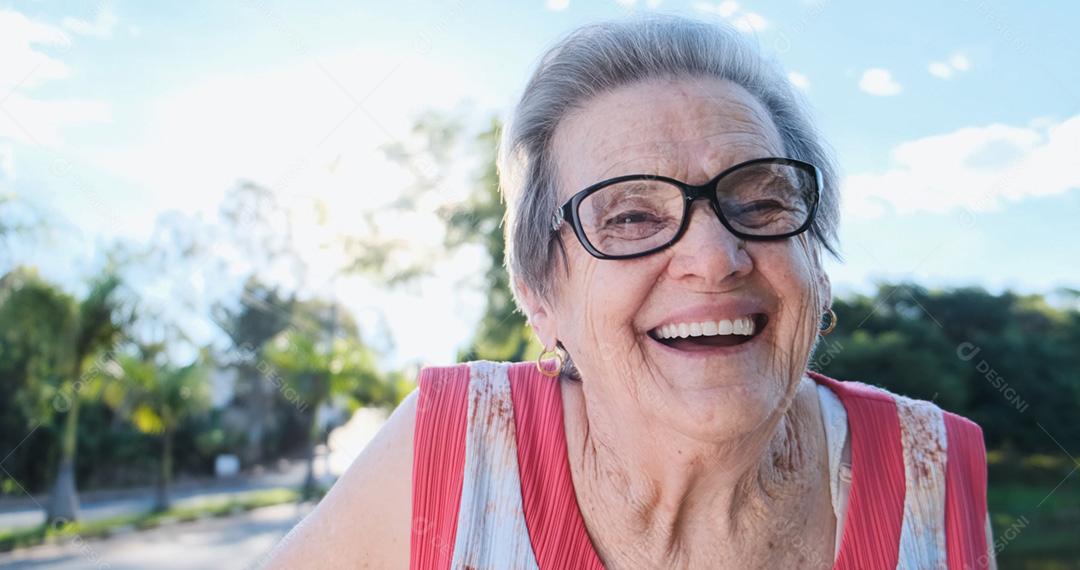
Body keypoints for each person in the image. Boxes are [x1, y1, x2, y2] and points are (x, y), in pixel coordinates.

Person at [264, 15, 994, 569]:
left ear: (817, 261)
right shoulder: (452, 450)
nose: (713, 258)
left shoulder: (932, 464)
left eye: (762, 201)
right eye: (632, 216)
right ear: (540, 298)